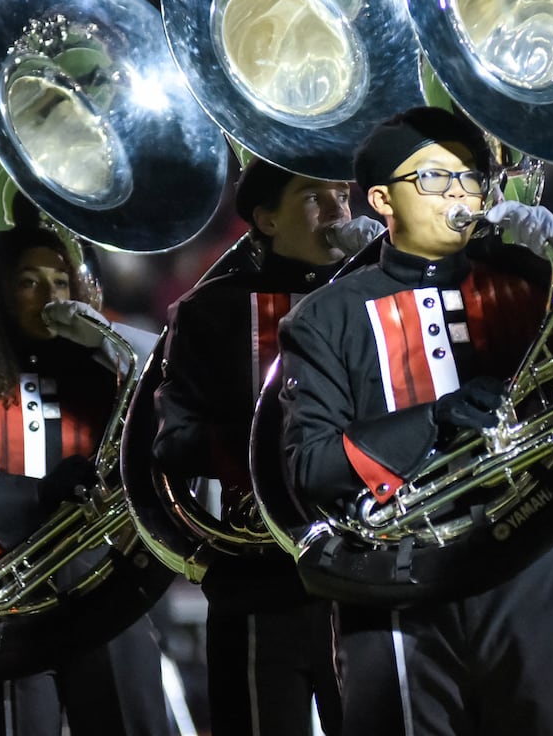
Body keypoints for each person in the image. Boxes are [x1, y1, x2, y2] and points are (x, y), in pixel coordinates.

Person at [277, 105, 553, 736]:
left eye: (469, 178)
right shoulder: (324, 317)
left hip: (527, 560)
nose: (460, 194)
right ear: (383, 200)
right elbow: (310, 469)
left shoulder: (524, 282)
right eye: (435, 180)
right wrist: (431, 421)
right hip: (399, 585)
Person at [0, 224, 172, 736]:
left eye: (61, 281)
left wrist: (110, 342)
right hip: (8, 609)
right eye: (30, 282)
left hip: (108, 602)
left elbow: (174, 373)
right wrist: (36, 494)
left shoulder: (107, 371)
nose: (52, 296)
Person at [153, 158, 383, 736]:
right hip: (257, 583)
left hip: (371, 575)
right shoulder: (213, 311)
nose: (338, 209)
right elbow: (173, 441)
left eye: (342, 193)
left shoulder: (379, 294)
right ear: (266, 219)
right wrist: (283, 457)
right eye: (314, 195)